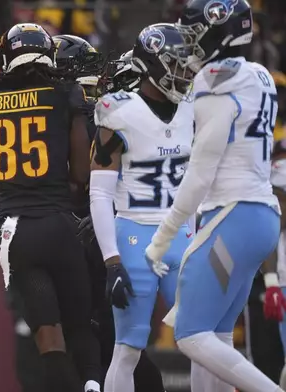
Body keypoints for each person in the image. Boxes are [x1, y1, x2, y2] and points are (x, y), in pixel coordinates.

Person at [144, 1, 283, 391]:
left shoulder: (214, 79)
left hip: (233, 215)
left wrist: (162, 237)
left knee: (190, 335)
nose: (189, 44)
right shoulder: (260, 74)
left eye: (194, 34)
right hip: (262, 217)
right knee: (216, 335)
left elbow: (201, 171)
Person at [0, 23, 100, 392]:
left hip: (16, 231)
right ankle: (92, 385)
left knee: (47, 336)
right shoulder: (64, 93)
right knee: (80, 327)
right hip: (62, 223)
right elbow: (80, 173)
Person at [89, 23, 195, 392]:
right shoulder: (118, 109)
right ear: (152, 62)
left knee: (204, 340)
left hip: (182, 233)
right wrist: (112, 261)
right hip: (135, 233)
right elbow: (100, 194)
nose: (185, 72)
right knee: (128, 347)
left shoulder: (192, 107)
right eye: (176, 63)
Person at [57, 36, 166, 392]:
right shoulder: (94, 111)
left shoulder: (94, 114)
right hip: (101, 228)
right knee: (107, 338)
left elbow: (85, 180)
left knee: (104, 337)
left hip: (95, 232)